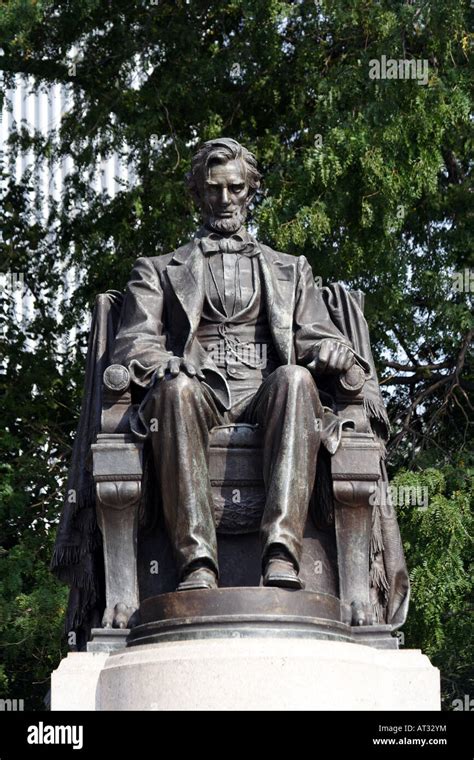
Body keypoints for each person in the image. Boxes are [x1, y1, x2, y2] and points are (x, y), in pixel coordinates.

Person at [111, 138, 356, 592]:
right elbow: (132, 343)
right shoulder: (158, 269)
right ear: (198, 194)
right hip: (199, 388)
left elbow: (317, 333)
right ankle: (196, 564)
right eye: (213, 189)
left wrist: (333, 351)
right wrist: (166, 362)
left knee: (296, 378)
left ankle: (282, 553)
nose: (225, 200)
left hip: (266, 392)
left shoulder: (291, 268)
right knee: (175, 391)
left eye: (235, 189)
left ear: (250, 191)